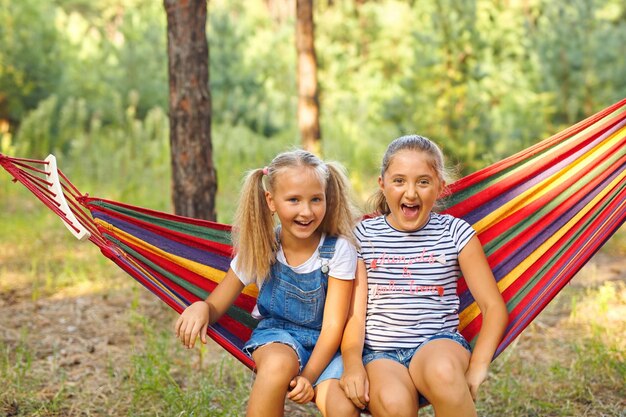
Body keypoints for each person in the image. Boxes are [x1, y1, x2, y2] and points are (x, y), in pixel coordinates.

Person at [174, 149, 360, 417]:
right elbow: (216, 304)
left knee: (343, 409)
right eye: (294, 200)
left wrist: (308, 377)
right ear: (271, 201)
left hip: (328, 348)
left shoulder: (339, 250)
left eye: (316, 199)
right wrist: (202, 308)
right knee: (276, 365)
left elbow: (333, 326)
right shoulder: (261, 247)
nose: (306, 211)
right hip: (278, 338)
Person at [339, 135, 509, 417]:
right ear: (382, 184)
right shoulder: (362, 236)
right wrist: (353, 363)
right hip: (381, 354)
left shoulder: (455, 233)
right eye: (399, 181)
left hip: (437, 343)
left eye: (423, 181)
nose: (410, 193)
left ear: (441, 187)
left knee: (442, 372)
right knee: (395, 404)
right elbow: (353, 316)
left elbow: (493, 307)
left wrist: (479, 364)